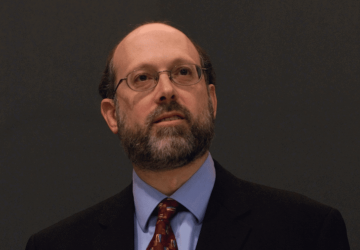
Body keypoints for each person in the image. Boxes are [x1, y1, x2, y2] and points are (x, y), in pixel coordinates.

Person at [25, 22, 350, 250]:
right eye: (142, 78)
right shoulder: (57, 245)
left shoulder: (306, 232)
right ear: (112, 115)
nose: (167, 91)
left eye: (183, 72)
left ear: (211, 100)